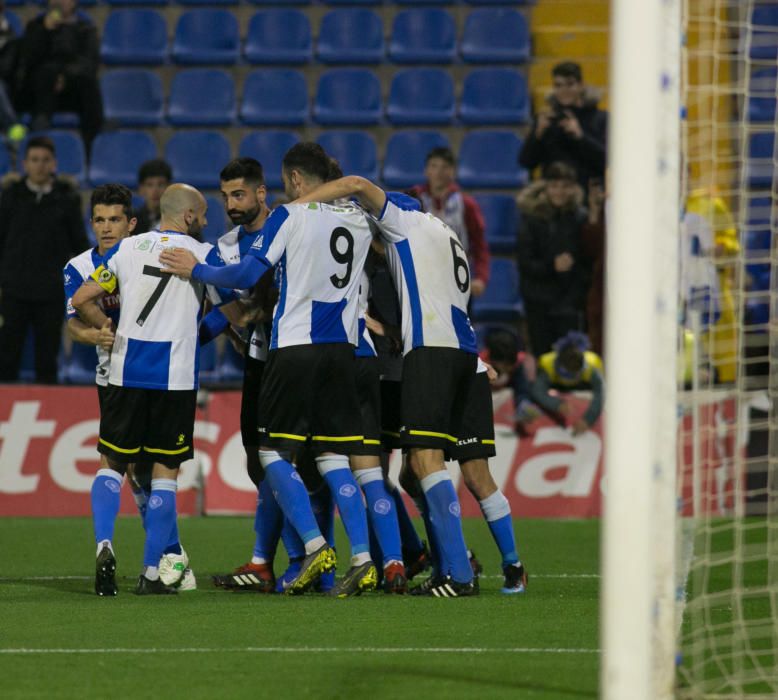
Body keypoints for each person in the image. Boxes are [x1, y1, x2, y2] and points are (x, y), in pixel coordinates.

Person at [159, 143, 377, 597]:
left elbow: (244, 277)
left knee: (272, 453)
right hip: (343, 349)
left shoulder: (288, 216)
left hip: (295, 346)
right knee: (335, 458)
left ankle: (315, 547)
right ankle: (363, 558)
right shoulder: (358, 219)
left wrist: (196, 268)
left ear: (295, 181)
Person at [294, 175, 527, 597]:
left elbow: (356, 183)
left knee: (423, 462)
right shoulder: (447, 233)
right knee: (475, 474)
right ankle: (512, 568)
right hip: (468, 356)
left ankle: (457, 573)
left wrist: (302, 204)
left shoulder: (405, 221)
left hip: (432, 354)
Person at [71, 183, 243, 595]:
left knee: (111, 463)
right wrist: (243, 316)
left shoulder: (127, 249)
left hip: (125, 373)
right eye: (202, 214)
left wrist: (106, 325)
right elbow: (234, 311)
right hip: (175, 376)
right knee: (165, 473)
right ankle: (153, 572)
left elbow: (81, 297)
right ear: (187, 216)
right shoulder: (203, 254)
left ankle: (104, 544)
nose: (205, 221)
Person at [64, 184, 195, 595]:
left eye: (114, 219)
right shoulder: (79, 264)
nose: (106, 228)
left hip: (126, 375)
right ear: (92, 224)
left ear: (131, 222)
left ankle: (161, 553)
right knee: (153, 468)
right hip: (123, 375)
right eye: (99, 220)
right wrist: (97, 334)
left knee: (128, 468)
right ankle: (164, 560)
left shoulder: (139, 250)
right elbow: (72, 319)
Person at [0, 135, 87, 383]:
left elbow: (79, 245)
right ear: (24, 164)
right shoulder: (11, 196)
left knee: (47, 358)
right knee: (6, 355)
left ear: (54, 164)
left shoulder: (67, 199)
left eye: (45, 160)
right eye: (34, 160)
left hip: (50, 292)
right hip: (13, 290)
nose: (39, 165)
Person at [516, 161, 590, 356]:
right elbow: (525, 261)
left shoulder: (581, 218)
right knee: (543, 362)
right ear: (546, 188)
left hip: (569, 302)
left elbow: (587, 261)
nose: (560, 192)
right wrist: (552, 266)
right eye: (555, 186)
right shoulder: (531, 218)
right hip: (538, 301)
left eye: (565, 186)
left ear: (573, 189)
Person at [18, 0, 103, 153]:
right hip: (40, 93)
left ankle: (91, 149)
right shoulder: (35, 26)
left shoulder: (86, 29)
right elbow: (27, 60)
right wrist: (45, 31)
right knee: (46, 72)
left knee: (90, 85)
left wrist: (64, 77)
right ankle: (39, 130)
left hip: (73, 91)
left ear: (73, 3)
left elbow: (89, 64)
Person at [410, 147, 490, 298]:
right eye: (434, 166)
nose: (439, 172)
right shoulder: (413, 200)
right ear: (426, 171)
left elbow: (479, 244)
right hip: (421, 281)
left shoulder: (466, 204)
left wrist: (481, 277)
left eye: (445, 167)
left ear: (453, 171)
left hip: (458, 281)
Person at [518, 61, 607, 190]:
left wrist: (581, 137)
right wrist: (536, 136)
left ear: (581, 86)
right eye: (558, 85)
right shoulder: (546, 119)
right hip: (554, 199)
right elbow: (526, 162)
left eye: (570, 84)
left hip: (587, 195)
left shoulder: (600, 118)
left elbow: (606, 160)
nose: (564, 90)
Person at [529, 331, 604, 436]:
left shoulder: (592, 365)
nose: (571, 378)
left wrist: (589, 419)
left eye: (574, 374)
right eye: (568, 374)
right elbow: (536, 391)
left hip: (583, 386)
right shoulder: (547, 364)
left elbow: (602, 392)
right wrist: (556, 404)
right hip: (557, 386)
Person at [480, 328, 537, 436]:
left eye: (511, 364)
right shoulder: (480, 363)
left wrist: (524, 404)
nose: (509, 368)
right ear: (493, 360)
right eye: (506, 365)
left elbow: (522, 388)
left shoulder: (518, 362)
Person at [134, 159, 172, 235]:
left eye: (161, 184)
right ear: (141, 189)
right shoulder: (133, 221)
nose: (155, 190)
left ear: (169, 187)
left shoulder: (181, 221)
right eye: (149, 185)